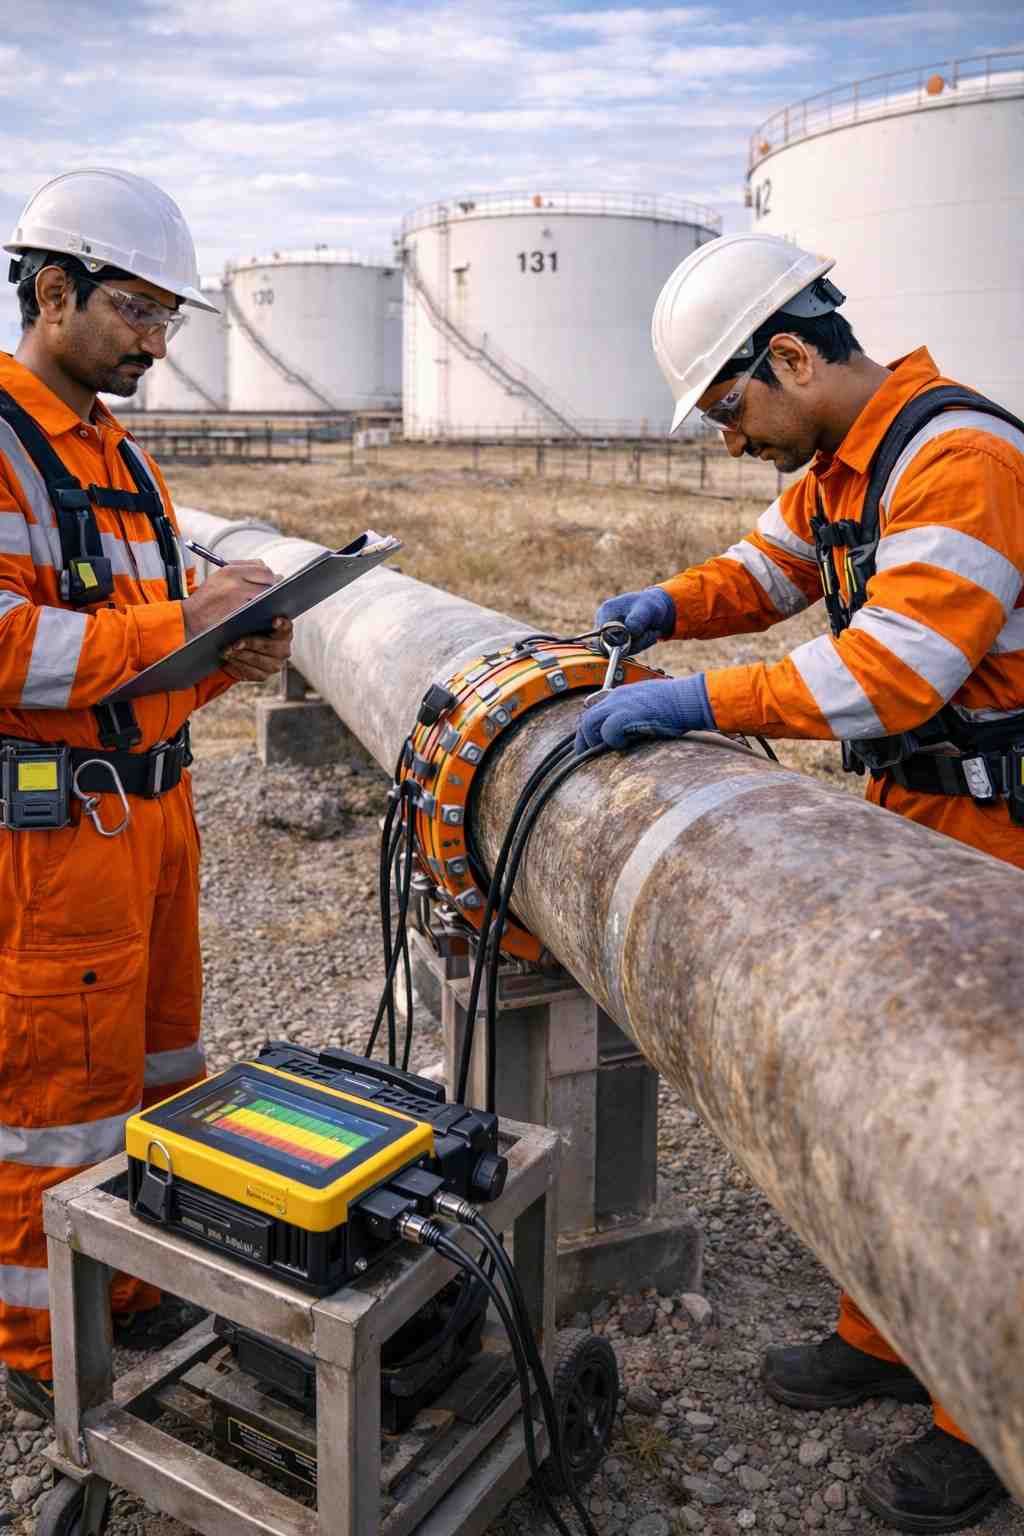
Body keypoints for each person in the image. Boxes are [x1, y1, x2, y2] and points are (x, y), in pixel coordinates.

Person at [577, 232, 1024, 1531]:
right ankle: (878, 1336)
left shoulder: (961, 458)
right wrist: (663, 607)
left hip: (1001, 826)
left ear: (787, 357)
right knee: (875, 1091)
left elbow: (890, 674)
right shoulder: (842, 469)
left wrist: (694, 698)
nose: (729, 439)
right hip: (915, 808)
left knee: (977, 1124)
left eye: (731, 410)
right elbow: (764, 576)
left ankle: (978, 1409)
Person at [0, 169, 293, 1421]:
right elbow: (12, 645)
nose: (158, 345)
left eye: (172, 319)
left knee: (158, 1066)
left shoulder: (124, 462)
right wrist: (187, 620)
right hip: (56, 832)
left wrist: (235, 652)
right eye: (137, 312)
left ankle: (126, 1280)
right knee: (57, 1095)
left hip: (150, 816)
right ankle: (35, 1343)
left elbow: (142, 653)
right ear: (52, 292)